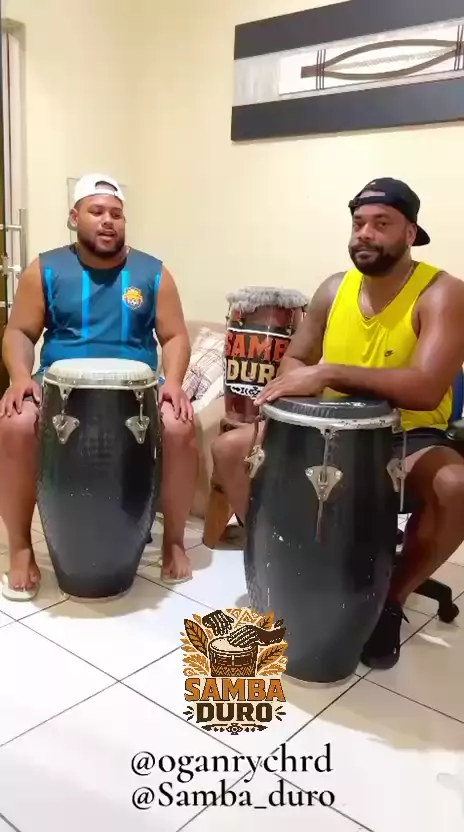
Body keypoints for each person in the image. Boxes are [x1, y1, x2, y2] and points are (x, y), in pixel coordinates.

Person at [212, 177, 464, 670]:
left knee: (455, 487)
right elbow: (296, 360)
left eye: (381, 223)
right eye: (358, 223)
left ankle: (390, 600)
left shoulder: (443, 292)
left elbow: (425, 388)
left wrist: (329, 373)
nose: (365, 233)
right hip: (326, 431)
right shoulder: (333, 289)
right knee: (229, 451)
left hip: (407, 437)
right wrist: (294, 401)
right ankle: (281, 567)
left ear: (411, 233)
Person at [0, 173, 197, 598]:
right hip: (59, 387)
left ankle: (174, 541)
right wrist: (20, 377)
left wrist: (175, 382)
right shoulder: (45, 268)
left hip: (138, 391)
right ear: (75, 217)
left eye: (116, 214)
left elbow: (175, 336)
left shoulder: (152, 272)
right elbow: (19, 331)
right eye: (96, 211)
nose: (108, 220)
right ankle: (20, 548)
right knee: (14, 424)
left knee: (180, 427)